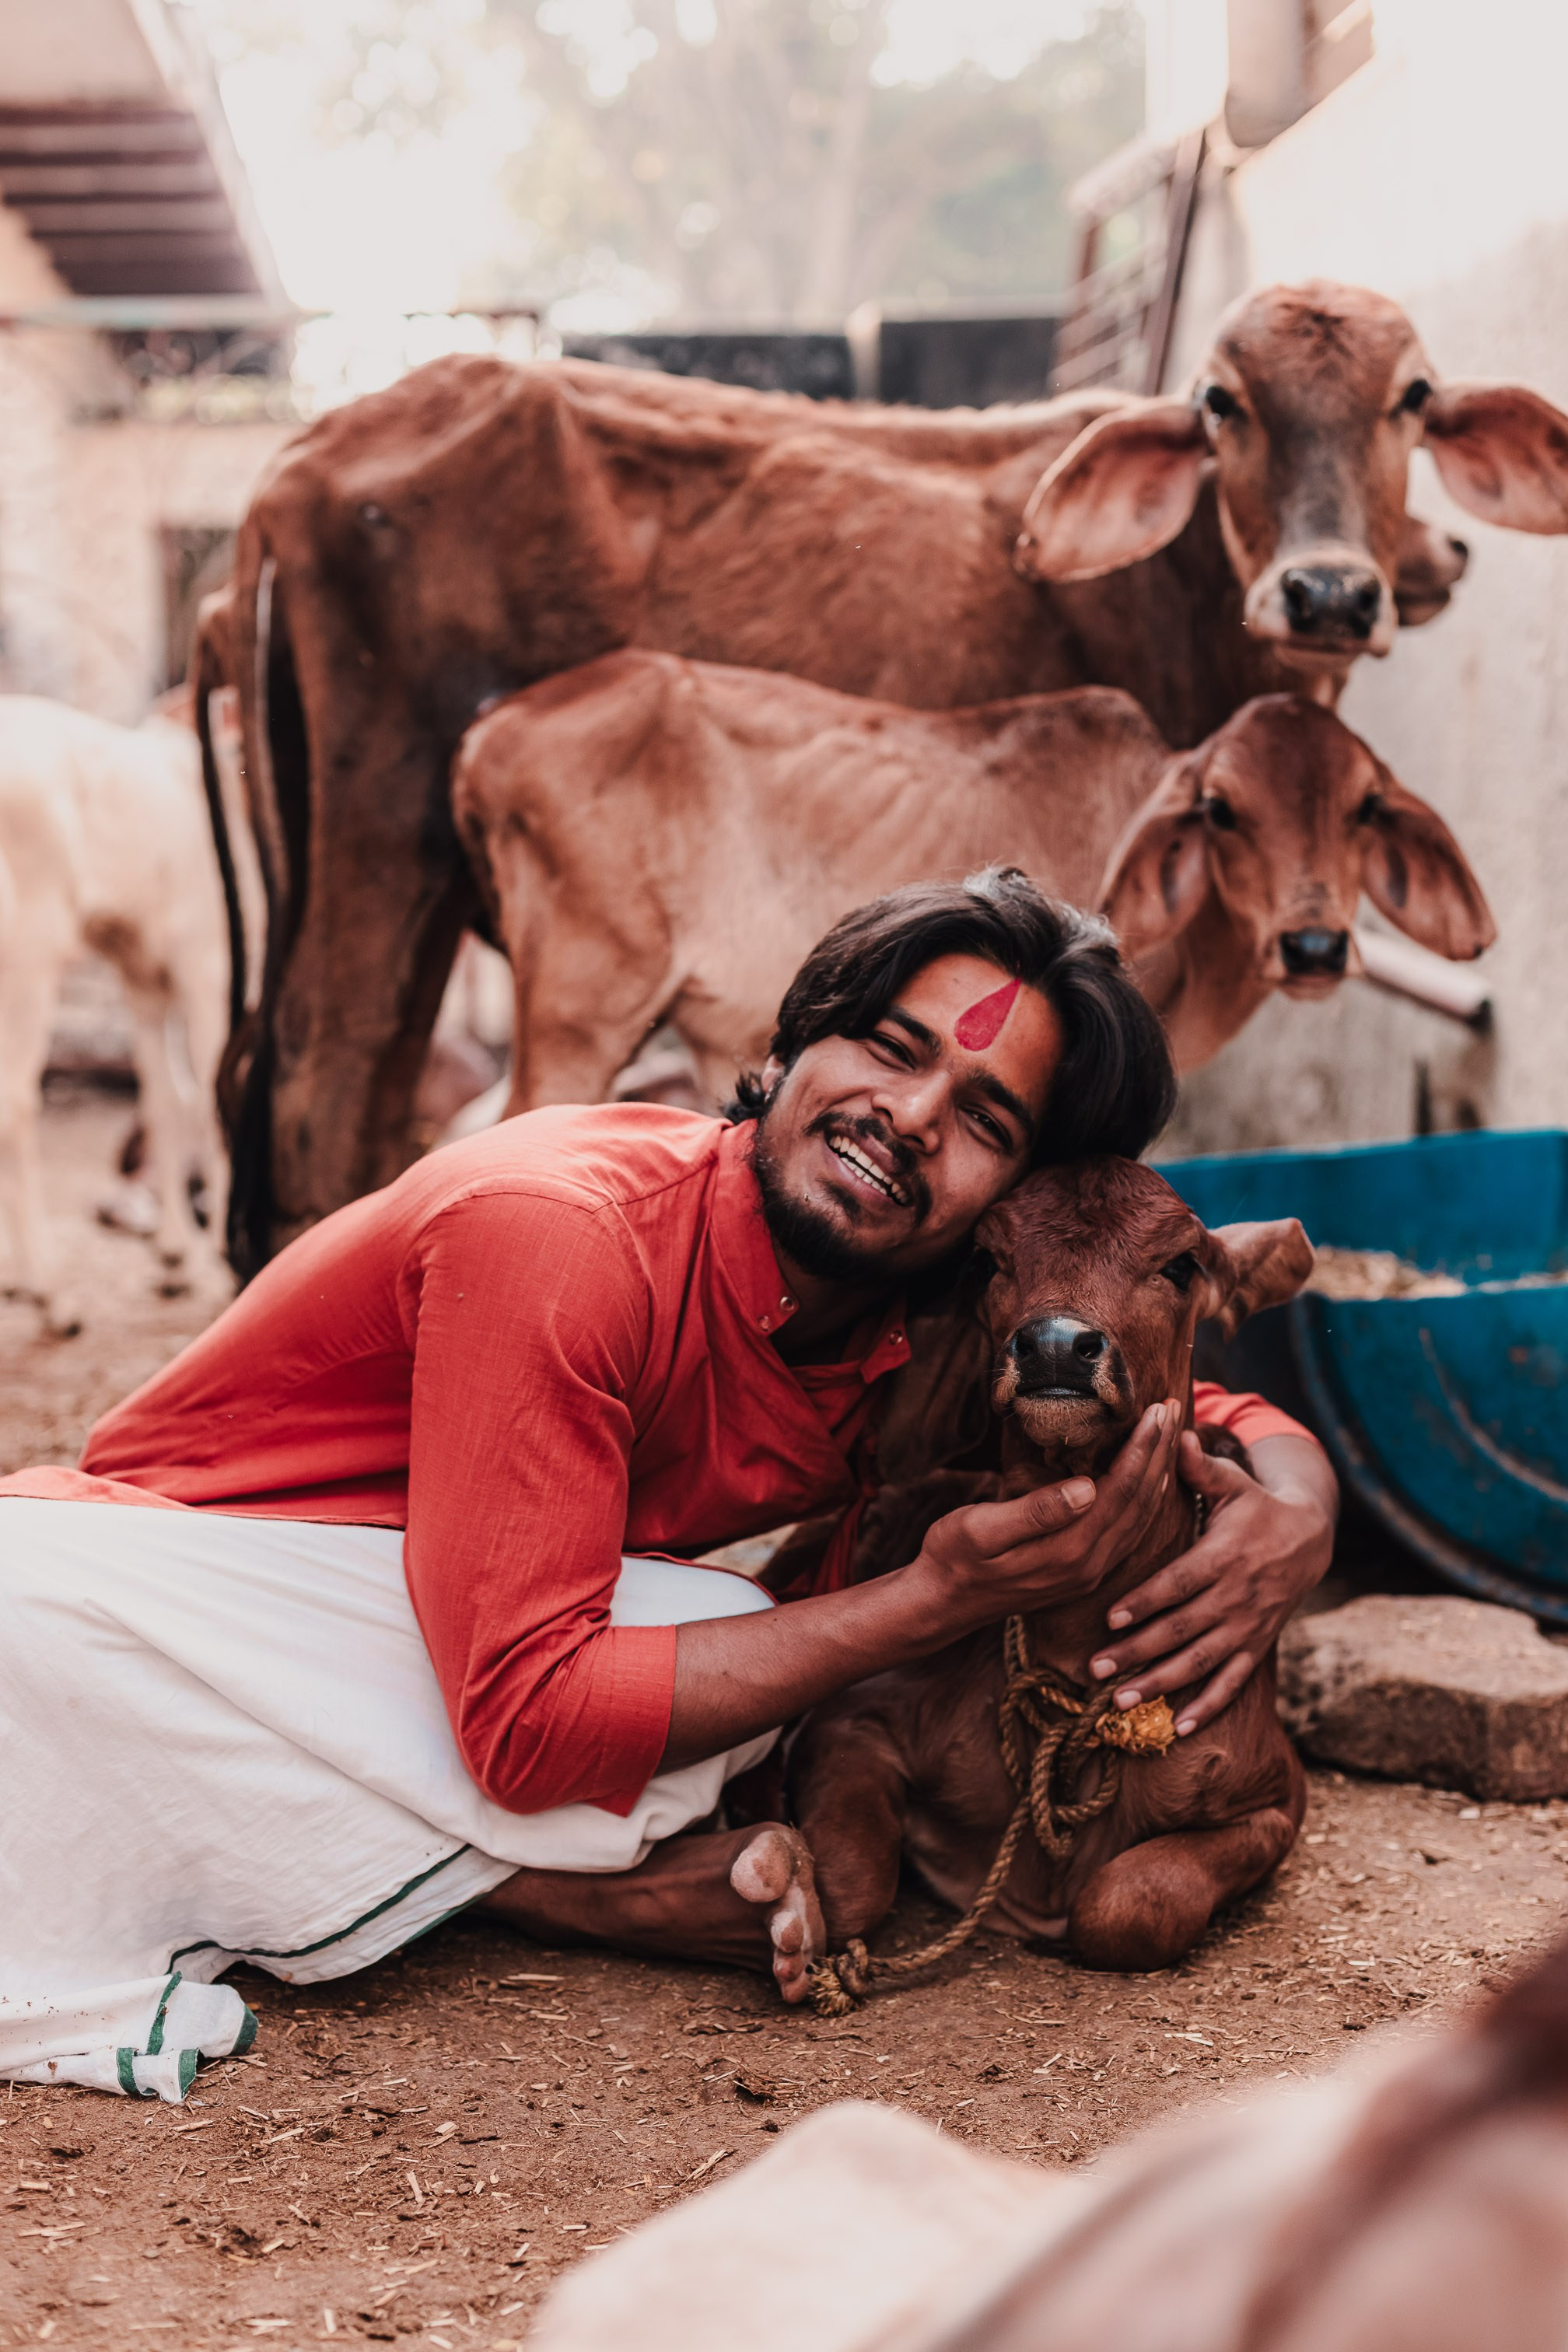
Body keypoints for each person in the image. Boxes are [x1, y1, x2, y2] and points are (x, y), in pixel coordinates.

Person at [0, 870, 1335, 2091]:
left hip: (463, 1620)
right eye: (889, 1046)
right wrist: (925, 1603)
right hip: (173, 1589)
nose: (910, 1119)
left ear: (1008, 1210)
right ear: (791, 1042)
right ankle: (556, 1892)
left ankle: (415, 1862)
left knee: (701, 1654)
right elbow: (524, 1722)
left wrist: (1298, 1504)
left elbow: (1172, 1383)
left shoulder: (911, 1310)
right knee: (695, 1646)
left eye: (984, 1117)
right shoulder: (562, 1238)